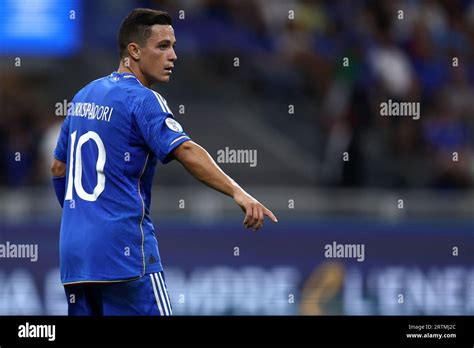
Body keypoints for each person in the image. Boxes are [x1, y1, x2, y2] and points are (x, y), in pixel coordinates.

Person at [50, 8, 278, 316]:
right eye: (162, 46)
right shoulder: (142, 99)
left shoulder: (83, 97)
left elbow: (58, 168)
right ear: (134, 50)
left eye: (173, 46)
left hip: (75, 258)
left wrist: (86, 218)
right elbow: (184, 150)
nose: (173, 55)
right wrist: (238, 192)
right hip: (124, 256)